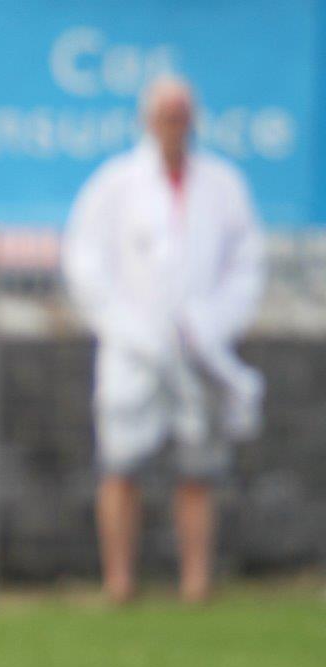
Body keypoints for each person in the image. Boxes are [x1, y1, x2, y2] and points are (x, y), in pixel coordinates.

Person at [62, 76, 265, 604]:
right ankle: (119, 582)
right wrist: (132, 327)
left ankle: (196, 582)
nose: (175, 126)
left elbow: (245, 266)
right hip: (132, 349)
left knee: (198, 468)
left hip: (200, 346)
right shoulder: (115, 184)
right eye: (166, 116)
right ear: (148, 121)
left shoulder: (223, 185)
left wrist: (210, 323)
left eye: (183, 116)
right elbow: (87, 265)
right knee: (121, 465)